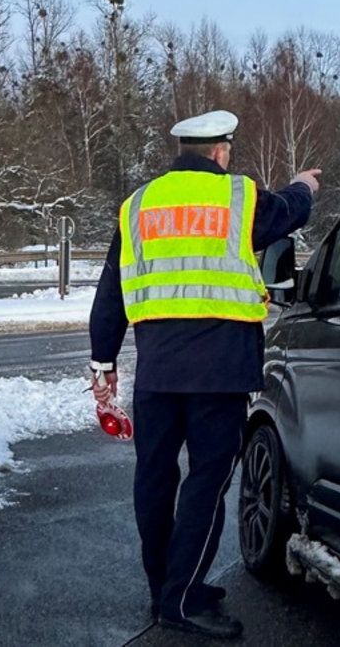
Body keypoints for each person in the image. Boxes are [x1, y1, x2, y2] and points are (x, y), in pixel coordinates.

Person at [88, 110, 318, 639]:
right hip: (219, 373)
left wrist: (103, 362)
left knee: (154, 477)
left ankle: (164, 585)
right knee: (207, 482)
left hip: (157, 373)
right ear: (220, 152)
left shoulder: (138, 205)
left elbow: (110, 293)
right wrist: (303, 185)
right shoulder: (238, 196)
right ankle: (183, 598)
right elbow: (287, 213)